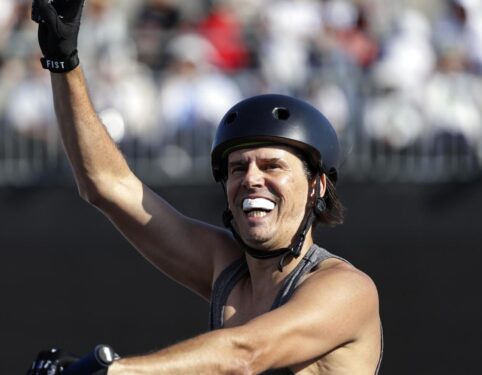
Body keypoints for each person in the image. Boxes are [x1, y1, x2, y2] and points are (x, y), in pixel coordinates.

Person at [27, 1, 382, 374]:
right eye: (238, 168)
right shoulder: (225, 268)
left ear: (318, 186)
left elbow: (245, 354)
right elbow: (106, 185)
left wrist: (114, 371)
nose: (251, 178)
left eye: (272, 165)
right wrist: (62, 61)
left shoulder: (346, 289)